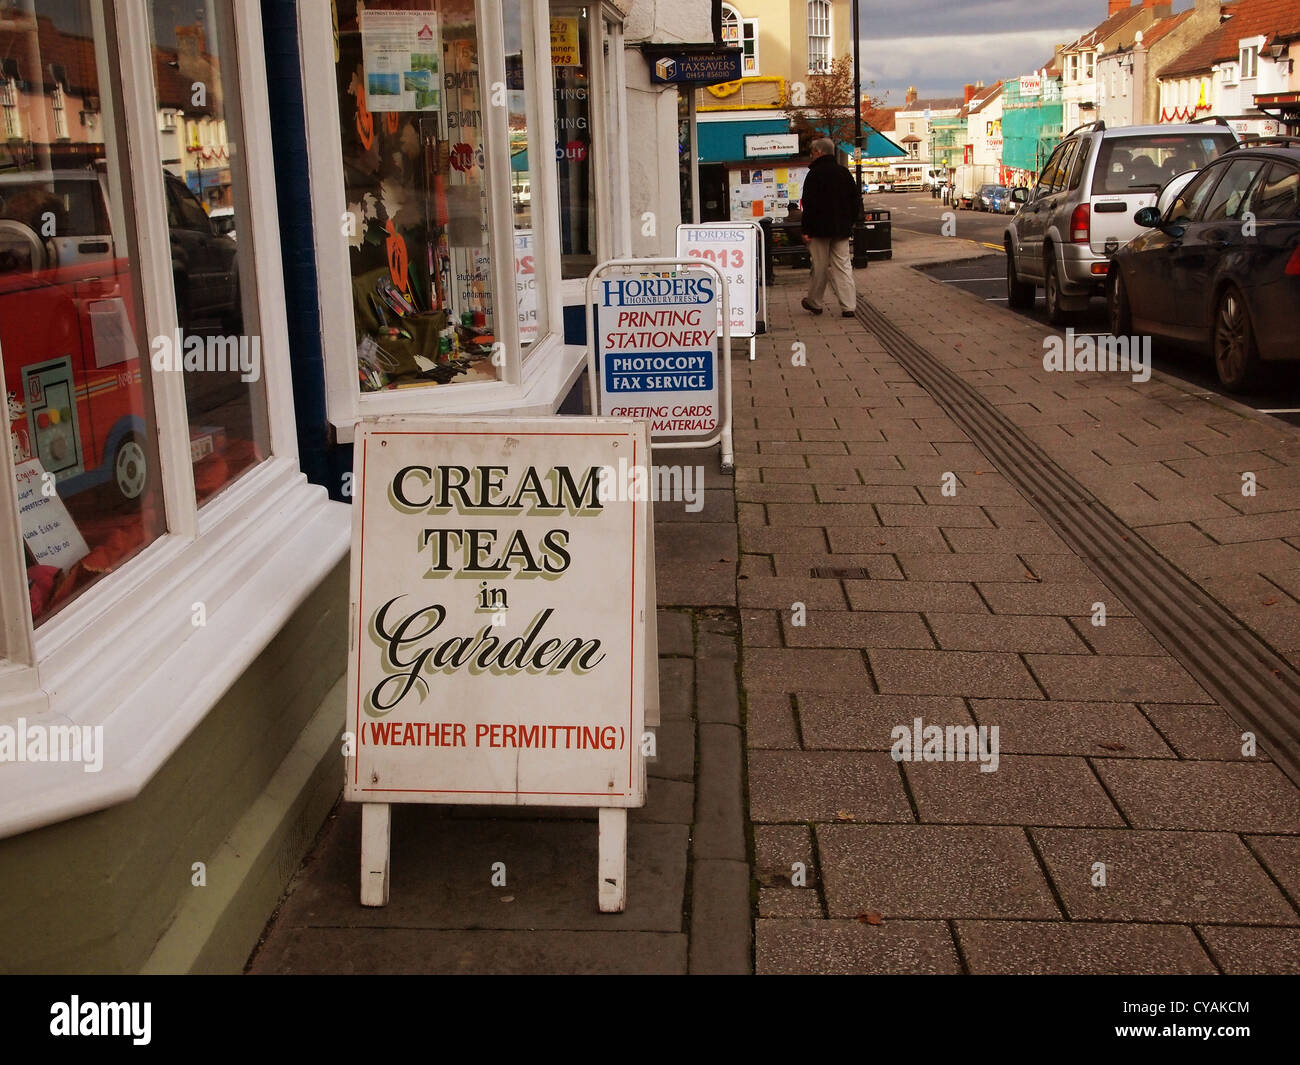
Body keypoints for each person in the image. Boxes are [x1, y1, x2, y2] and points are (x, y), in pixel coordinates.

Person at [798, 138, 861, 318]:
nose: (811, 154)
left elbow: (809, 205)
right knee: (843, 266)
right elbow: (854, 201)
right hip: (841, 229)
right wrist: (850, 222)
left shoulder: (814, 174)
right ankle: (849, 306)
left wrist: (806, 230)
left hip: (818, 230)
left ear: (819, 151)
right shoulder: (844, 172)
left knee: (819, 267)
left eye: (812, 151)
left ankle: (815, 302)